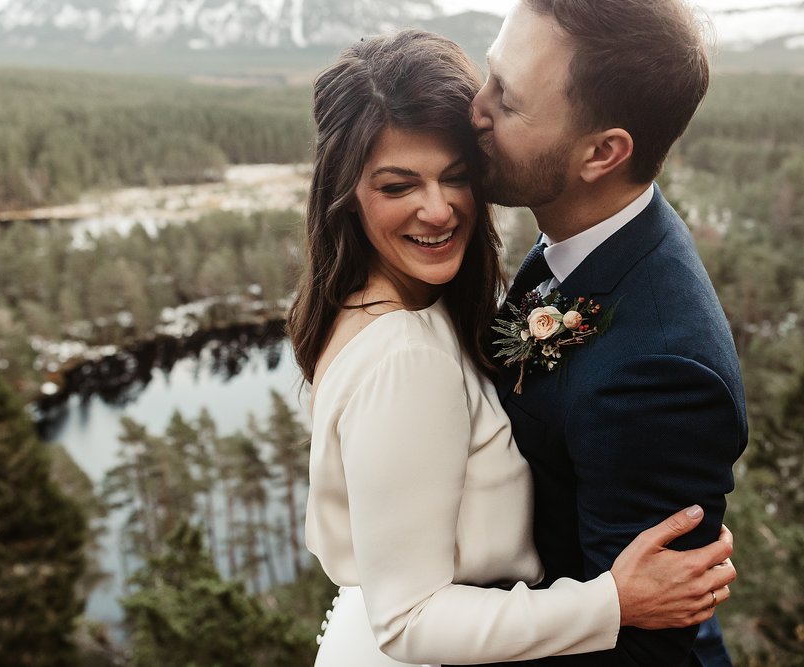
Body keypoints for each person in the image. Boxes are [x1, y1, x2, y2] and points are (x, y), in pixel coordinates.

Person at [288, 29, 735, 667]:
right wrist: (611, 601)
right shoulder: (405, 356)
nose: (479, 109)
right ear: (346, 193)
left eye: (456, 176)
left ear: (604, 151)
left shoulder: (403, 300)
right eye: (396, 187)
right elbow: (411, 619)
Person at [468, 0, 748, 665]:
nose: (473, 109)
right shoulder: (590, 243)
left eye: (506, 102)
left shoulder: (660, 376)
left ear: (602, 153)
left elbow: (642, 648)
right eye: (490, 76)